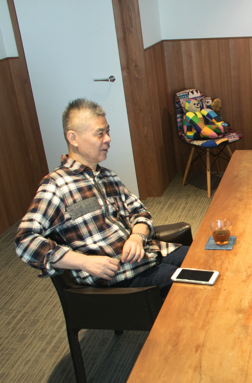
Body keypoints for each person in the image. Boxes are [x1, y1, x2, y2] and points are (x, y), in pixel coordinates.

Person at [15, 98, 188, 300]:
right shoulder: (56, 185)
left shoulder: (108, 176)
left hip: (150, 252)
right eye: (100, 133)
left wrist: (137, 236)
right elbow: (25, 241)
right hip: (122, 276)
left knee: (208, 258)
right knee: (196, 283)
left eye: (108, 132)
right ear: (73, 138)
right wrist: (84, 262)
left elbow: (140, 212)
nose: (108, 139)